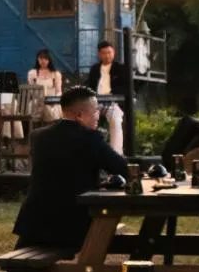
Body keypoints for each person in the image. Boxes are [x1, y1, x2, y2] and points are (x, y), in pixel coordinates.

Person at [13, 86, 128, 251]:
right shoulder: (89, 139)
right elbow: (122, 169)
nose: (99, 115)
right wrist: (116, 125)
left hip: (34, 225)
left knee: (21, 264)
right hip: (72, 228)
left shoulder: (39, 137)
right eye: (95, 111)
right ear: (80, 115)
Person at [86, 40, 128, 153]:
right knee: (85, 120)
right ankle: (89, 151)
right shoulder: (94, 69)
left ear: (113, 52)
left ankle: (116, 152)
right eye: (104, 53)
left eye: (109, 52)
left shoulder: (121, 68)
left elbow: (125, 87)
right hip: (96, 102)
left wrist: (112, 94)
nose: (107, 55)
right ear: (99, 54)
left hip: (113, 102)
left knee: (115, 119)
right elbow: (89, 86)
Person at [27, 49, 63, 121]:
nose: (43, 61)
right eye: (40, 58)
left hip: (52, 101)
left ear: (49, 60)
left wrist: (55, 100)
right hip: (38, 101)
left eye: (45, 58)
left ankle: (50, 125)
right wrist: (39, 98)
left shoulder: (56, 74)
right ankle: (49, 124)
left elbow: (59, 91)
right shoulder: (32, 73)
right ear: (37, 59)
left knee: (53, 107)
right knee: (42, 105)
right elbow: (31, 91)